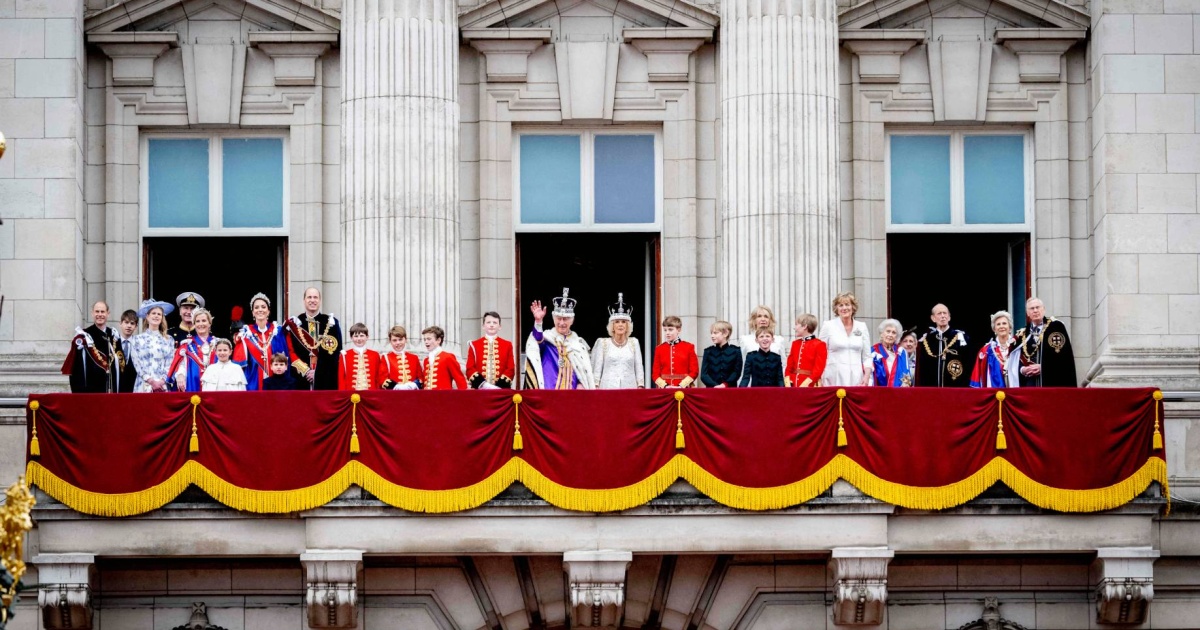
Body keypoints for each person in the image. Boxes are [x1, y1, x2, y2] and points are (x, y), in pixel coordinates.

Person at [523, 289, 595, 389]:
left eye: (565, 319)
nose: (561, 323)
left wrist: (581, 383)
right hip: (549, 393)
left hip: (572, 395)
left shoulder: (578, 344)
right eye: (558, 318)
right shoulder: (548, 339)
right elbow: (537, 339)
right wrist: (538, 321)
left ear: (572, 321)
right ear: (554, 319)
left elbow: (582, 370)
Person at [285, 287, 343, 391]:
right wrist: (306, 370)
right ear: (304, 300)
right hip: (301, 378)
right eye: (309, 297)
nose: (312, 300)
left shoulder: (331, 322)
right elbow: (290, 351)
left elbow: (335, 353)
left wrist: (317, 372)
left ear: (320, 300)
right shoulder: (295, 323)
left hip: (326, 378)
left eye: (315, 297)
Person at [1012, 297, 1078, 387]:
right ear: (1027, 313)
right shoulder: (1023, 334)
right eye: (1032, 308)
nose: (1035, 310)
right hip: (1030, 385)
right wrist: (1022, 369)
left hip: (1052, 382)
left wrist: (1043, 367)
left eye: (1038, 307)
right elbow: (1014, 360)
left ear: (1044, 309)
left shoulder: (1056, 327)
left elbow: (1064, 357)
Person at [233, 293, 289, 391]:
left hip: (275, 384)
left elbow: (284, 358)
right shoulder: (246, 333)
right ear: (253, 312)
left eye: (263, 307)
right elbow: (239, 366)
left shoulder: (277, 331)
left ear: (268, 311)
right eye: (256, 307)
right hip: (252, 383)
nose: (260, 310)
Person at [592, 294, 645, 389]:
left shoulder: (634, 342)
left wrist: (640, 386)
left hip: (629, 390)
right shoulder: (603, 343)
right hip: (607, 390)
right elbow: (597, 369)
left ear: (628, 325)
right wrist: (596, 387)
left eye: (623, 322)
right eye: (617, 322)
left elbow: (639, 367)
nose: (620, 325)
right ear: (612, 325)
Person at [819, 292, 872, 387]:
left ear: (853, 307)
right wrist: (819, 377)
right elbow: (820, 353)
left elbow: (867, 356)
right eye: (840, 305)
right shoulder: (828, 326)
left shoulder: (862, 326)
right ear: (836, 309)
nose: (844, 308)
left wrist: (867, 377)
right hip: (833, 376)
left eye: (847, 304)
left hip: (856, 377)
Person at [63, 301, 117, 393]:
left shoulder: (114, 336)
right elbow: (76, 370)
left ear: (108, 313)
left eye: (102, 312)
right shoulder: (83, 337)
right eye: (97, 311)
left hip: (111, 392)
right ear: (92, 313)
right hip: (90, 392)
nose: (100, 314)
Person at [915, 303, 973, 387]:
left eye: (945, 313)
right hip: (931, 390)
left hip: (955, 388)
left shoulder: (961, 338)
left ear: (949, 317)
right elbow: (921, 370)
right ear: (933, 318)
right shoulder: (926, 340)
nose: (943, 316)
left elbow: (969, 365)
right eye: (939, 313)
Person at [130, 299, 176, 393]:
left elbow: (170, 363)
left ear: (162, 317)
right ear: (147, 316)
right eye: (153, 313)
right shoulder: (137, 339)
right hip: (143, 385)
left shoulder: (169, 340)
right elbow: (137, 364)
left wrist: (162, 381)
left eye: (159, 314)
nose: (156, 316)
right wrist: (151, 381)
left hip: (162, 386)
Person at [169, 307, 218, 392]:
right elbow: (181, 365)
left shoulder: (218, 344)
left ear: (210, 323)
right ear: (194, 324)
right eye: (197, 321)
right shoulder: (187, 346)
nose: (200, 324)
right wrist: (180, 375)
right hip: (192, 386)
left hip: (215, 387)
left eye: (204, 320)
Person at [466, 312, 516, 389]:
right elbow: (470, 368)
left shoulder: (507, 345)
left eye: (495, 322)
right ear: (483, 326)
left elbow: (510, 368)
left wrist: (498, 388)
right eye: (488, 322)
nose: (491, 325)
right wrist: (484, 385)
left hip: (500, 391)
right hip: (479, 391)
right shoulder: (474, 345)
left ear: (499, 327)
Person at [971, 310, 1018, 388]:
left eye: (1004, 323)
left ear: (1010, 327)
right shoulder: (986, 350)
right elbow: (978, 376)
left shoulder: (1017, 347)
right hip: (994, 395)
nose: (1001, 326)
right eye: (998, 324)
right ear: (994, 329)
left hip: (1015, 393)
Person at [652, 316, 699, 389]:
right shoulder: (659, 349)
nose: (667, 333)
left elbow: (694, 371)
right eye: (665, 330)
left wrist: (681, 385)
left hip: (684, 389)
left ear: (678, 330)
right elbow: (655, 374)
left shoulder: (689, 347)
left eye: (670, 330)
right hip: (664, 390)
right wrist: (665, 386)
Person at [785, 313, 827, 388]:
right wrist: (788, 382)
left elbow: (818, 369)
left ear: (804, 326)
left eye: (796, 324)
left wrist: (806, 383)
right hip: (793, 384)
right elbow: (789, 366)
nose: (794, 328)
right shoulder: (795, 344)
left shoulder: (820, 344)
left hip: (811, 385)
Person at [339, 322, 382, 391]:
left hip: (371, 394)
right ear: (351, 338)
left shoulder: (375, 355)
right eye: (356, 336)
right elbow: (341, 379)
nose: (359, 339)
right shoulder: (344, 355)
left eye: (362, 336)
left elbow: (378, 377)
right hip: (351, 395)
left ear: (367, 337)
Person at [421, 326, 467, 390]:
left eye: (429, 339)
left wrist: (464, 397)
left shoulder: (448, 357)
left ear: (438, 340)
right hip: (428, 398)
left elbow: (460, 379)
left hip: (444, 398)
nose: (426, 342)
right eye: (425, 339)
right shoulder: (426, 360)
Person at [378, 325, 423, 390]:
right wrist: (396, 386)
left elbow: (421, 378)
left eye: (400, 339)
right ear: (390, 341)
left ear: (406, 340)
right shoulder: (386, 358)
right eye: (394, 340)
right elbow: (382, 379)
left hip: (412, 395)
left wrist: (414, 385)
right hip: (393, 395)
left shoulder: (414, 358)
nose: (398, 343)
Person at [870, 318, 912, 387]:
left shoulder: (901, 352)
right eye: (888, 331)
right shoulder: (874, 351)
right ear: (882, 334)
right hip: (879, 393)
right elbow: (870, 376)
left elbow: (906, 372)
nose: (890, 335)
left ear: (896, 337)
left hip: (898, 393)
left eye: (893, 333)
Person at [700, 320, 742, 388]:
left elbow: (736, 372)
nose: (712, 336)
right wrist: (715, 386)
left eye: (715, 333)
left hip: (729, 390)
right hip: (712, 391)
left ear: (725, 333)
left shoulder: (735, 351)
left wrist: (725, 385)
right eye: (711, 333)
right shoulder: (708, 351)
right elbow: (704, 375)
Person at [115, 309, 139, 393]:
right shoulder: (113, 343)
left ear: (136, 326)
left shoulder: (139, 345)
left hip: (134, 389)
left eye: (132, 323)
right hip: (116, 390)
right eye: (126, 322)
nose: (129, 326)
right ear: (120, 324)